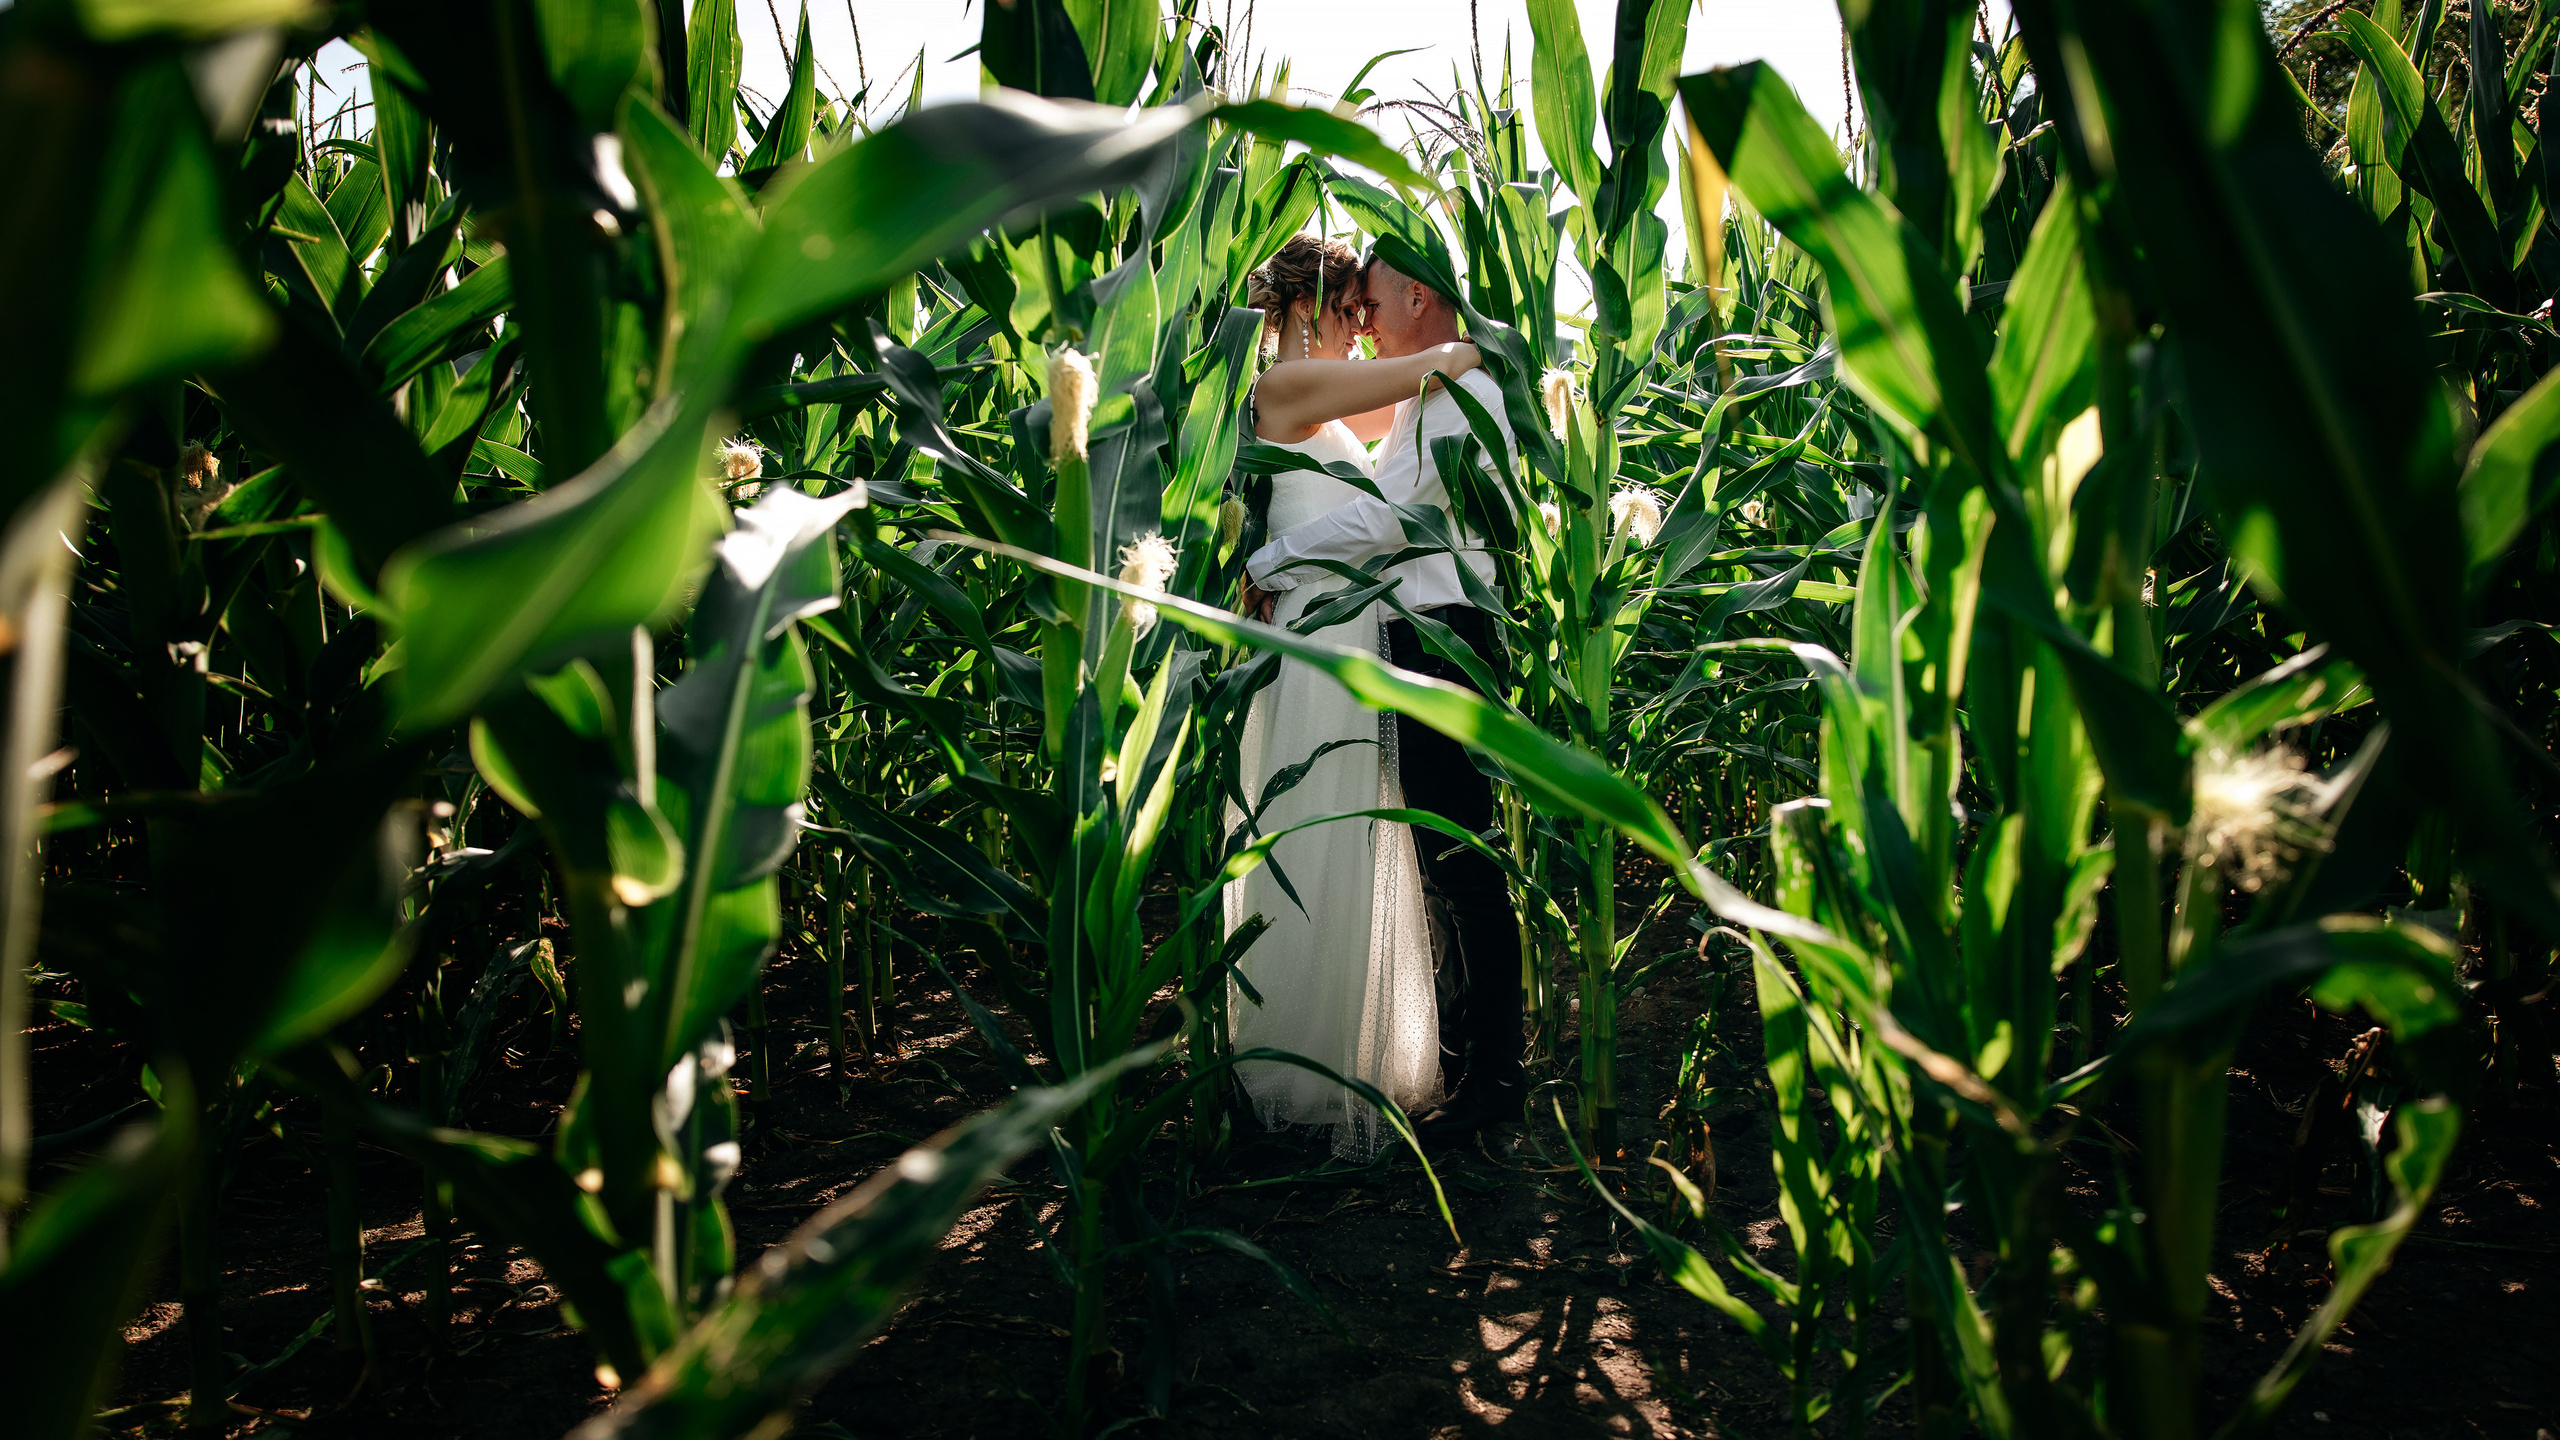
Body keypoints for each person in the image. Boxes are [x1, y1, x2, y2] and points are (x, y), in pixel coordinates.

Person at [1243, 252, 1524, 1143]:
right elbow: (1412, 384)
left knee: (1454, 855)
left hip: (1430, 631)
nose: (1362, 323)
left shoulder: (1446, 392)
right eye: (1348, 306)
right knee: (1412, 850)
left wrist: (1268, 563)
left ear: (1416, 295)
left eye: (1372, 304)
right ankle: (1447, 1061)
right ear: (1312, 307)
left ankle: (1492, 1080)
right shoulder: (1315, 387)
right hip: (1368, 636)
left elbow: (1393, 517)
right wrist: (1463, 352)